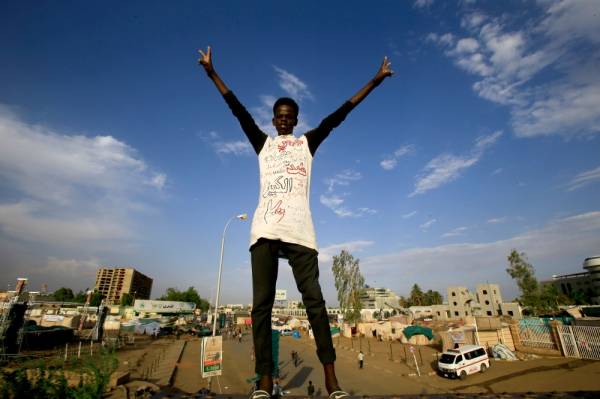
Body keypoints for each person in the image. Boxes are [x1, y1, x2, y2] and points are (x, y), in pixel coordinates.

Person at [198, 46, 392, 399]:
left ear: (296, 120)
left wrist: (375, 82)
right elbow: (237, 110)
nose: (284, 120)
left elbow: (339, 115)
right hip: (264, 232)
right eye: (279, 116)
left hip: (300, 232)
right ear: (273, 120)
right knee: (262, 306)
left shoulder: (306, 144)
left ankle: (332, 380)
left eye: (289, 116)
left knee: (315, 302)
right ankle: (265, 381)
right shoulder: (264, 146)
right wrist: (212, 73)